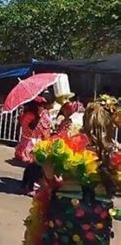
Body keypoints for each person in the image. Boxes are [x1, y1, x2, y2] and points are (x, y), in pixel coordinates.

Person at [24, 95, 121, 244]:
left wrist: (56, 180)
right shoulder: (114, 152)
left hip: (66, 211)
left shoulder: (67, 145)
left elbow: (48, 173)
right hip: (98, 216)